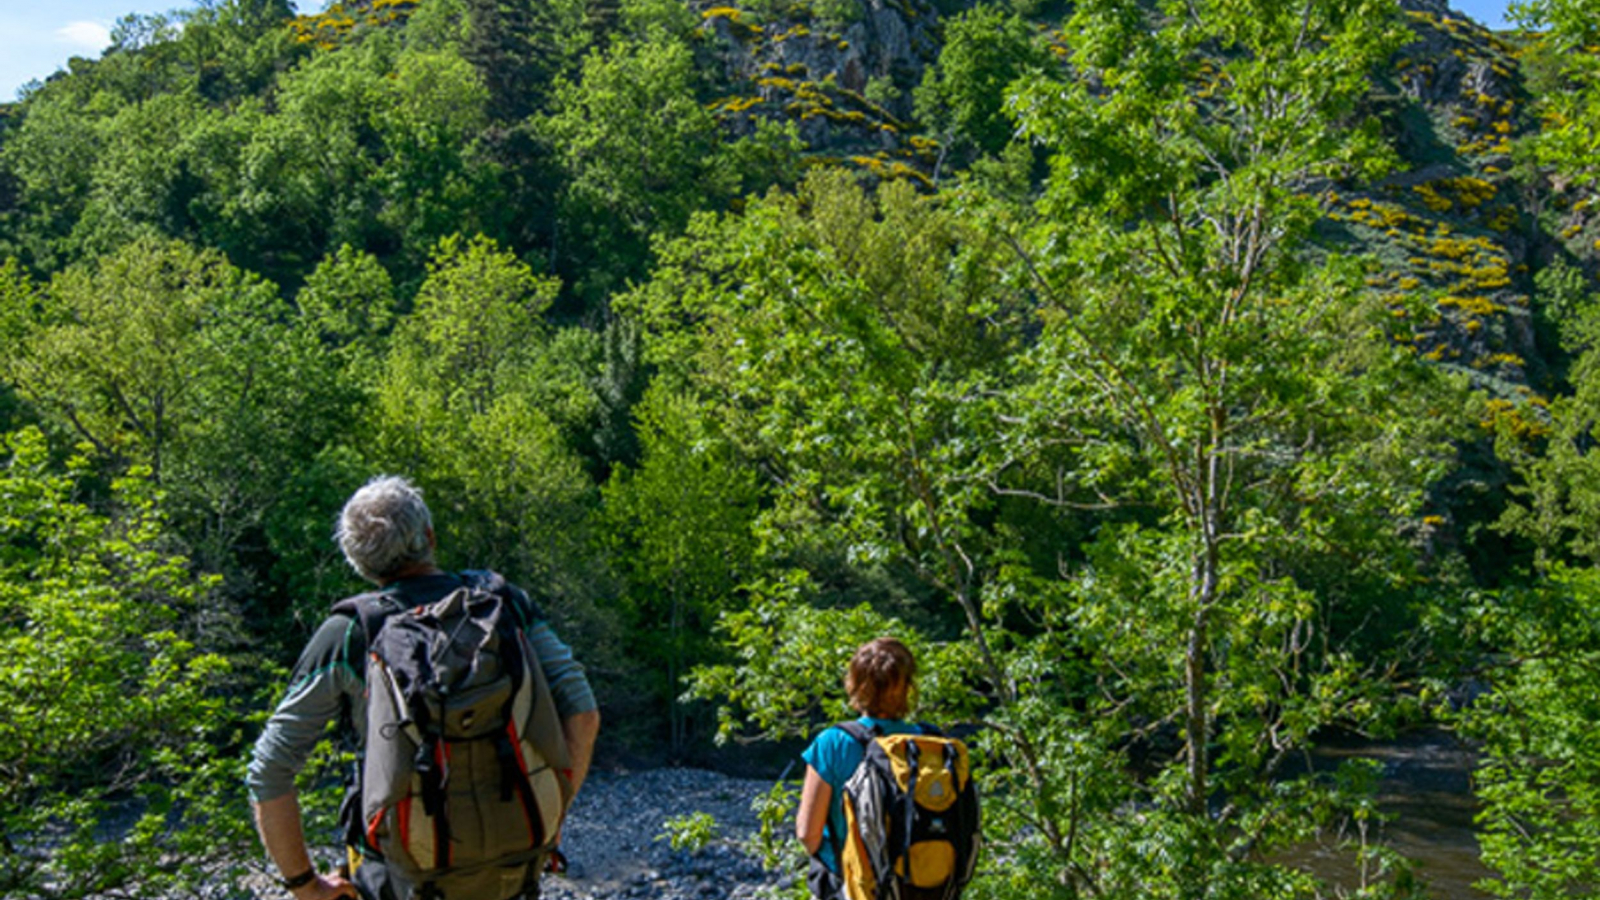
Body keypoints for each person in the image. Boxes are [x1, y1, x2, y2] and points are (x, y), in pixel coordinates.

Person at [248, 475, 601, 900]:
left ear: (357, 561)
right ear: (430, 536)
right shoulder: (505, 604)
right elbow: (582, 712)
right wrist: (548, 820)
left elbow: (270, 768)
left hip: (398, 879)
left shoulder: (349, 634)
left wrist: (306, 885)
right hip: (513, 866)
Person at [795, 637, 921, 900]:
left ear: (854, 685)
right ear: (908, 688)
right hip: (918, 886)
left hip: (853, 888)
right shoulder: (931, 744)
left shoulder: (833, 743)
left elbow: (808, 834)